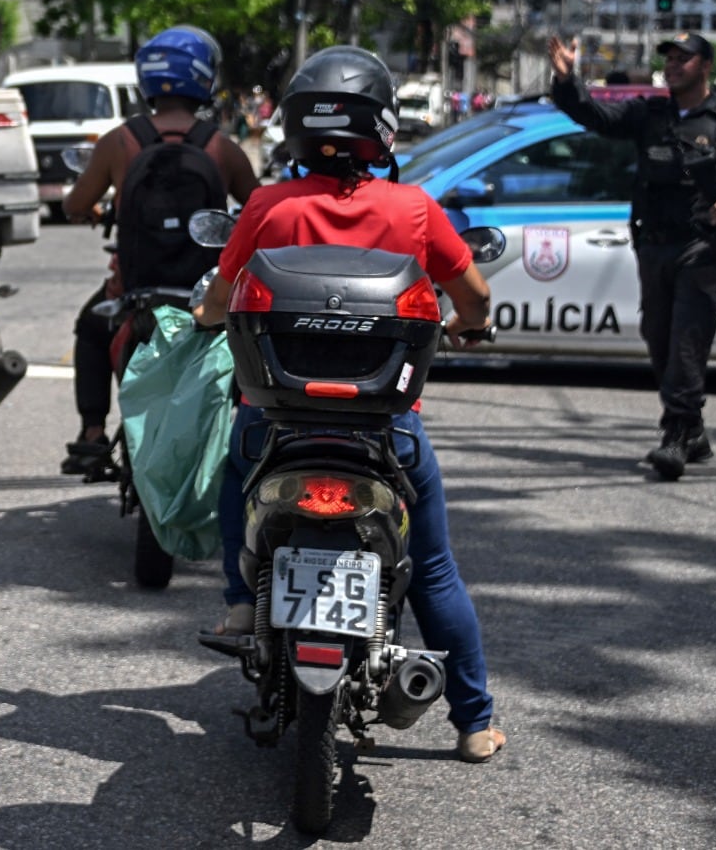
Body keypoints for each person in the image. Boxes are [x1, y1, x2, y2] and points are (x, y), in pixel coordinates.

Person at [193, 45, 504, 764]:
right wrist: (471, 328)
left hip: (274, 424)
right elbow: (474, 297)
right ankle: (474, 722)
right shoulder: (414, 209)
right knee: (431, 571)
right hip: (386, 430)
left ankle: (243, 598)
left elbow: (218, 297)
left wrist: (210, 318)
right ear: (383, 127)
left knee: (236, 477)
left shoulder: (271, 205)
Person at [548, 32, 716, 479]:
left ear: (706, 66)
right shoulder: (648, 113)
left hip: (701, 247)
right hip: (653, 246)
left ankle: (674, 437)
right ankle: (693, 430)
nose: (674, 65)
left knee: (686, 346)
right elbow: (595, 115)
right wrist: (567, 79)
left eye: (684, 59)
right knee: (659, 341)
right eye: (670, 59)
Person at [57, 25, 258, 474]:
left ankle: (91, 434)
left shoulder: (118, 142)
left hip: (134, 287)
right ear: (205, 79)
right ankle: (250, 433)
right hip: (204, 295)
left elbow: (73, 204)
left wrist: (95, 208)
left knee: (90, 330)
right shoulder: (221, 148)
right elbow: (258, 211)